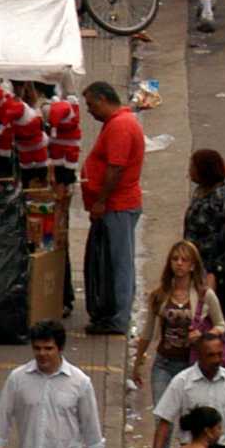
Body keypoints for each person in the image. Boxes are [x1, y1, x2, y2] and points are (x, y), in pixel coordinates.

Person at [79, 82, 147, 334]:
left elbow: (115, 167)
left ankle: (118, 318)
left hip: (118, 205)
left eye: (92, 105)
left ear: (104, 99)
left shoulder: (120, 126)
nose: (90, 111)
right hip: (116, 204)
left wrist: (100, 200)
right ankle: (115, 313)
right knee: (115, 261)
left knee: (120, 263)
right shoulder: (119, 122)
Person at [132, 242, 224, 412]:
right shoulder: (159, 295)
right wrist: (137, 363)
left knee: (189, 420)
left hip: (192, 365)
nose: (179, 263)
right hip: (163, 364)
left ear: (192, 265)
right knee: (162, 416)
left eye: (184, 260)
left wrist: (204, 335)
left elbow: (221, 324)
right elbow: (147, 333)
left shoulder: (204, 295)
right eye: (175, 259)